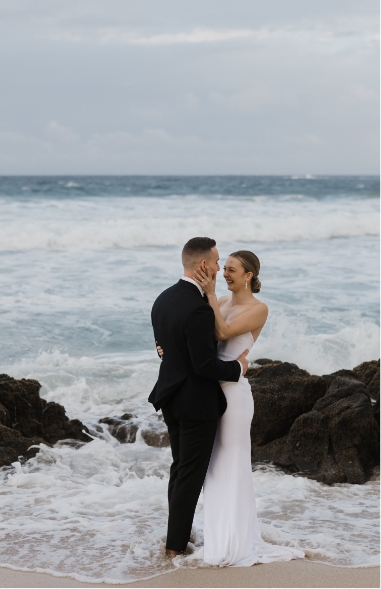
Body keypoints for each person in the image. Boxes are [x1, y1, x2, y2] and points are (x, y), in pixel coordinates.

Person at [157, 246, 304, 566]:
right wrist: (167, 347)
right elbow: (196, 335)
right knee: (206, 468)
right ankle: (205, 532)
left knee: (231, 464)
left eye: (231, 270)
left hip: (234, 395)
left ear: (249, 276)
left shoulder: (258, 308)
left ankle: (232, 538)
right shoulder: (219, 301)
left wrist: (208, 293)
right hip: (208, 390)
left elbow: (221, 332)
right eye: (223, 268)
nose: (223, 274)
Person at [149, 237, 249, 557]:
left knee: (180, 470)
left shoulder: (163, 299)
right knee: (190, 476)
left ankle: (178, 535)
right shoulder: (199, 309)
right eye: (217, 262)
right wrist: (238, 367)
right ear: (204, 265)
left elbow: (164, 347)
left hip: (171, 397)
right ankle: (175, 548)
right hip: (196, 404)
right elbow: (204, 365)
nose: (220, 267)